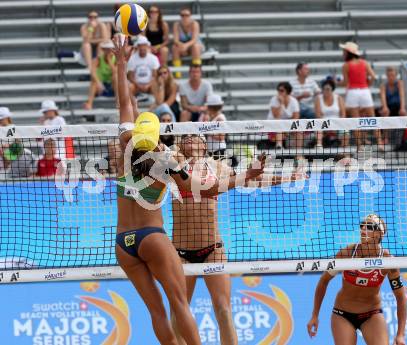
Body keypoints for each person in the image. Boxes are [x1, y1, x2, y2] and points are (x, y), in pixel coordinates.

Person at [112, 36, 266, 345]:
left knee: (157, 313)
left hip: (121, 243)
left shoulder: (124, 146)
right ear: (158, 136)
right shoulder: (167, 161)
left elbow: (124, 102)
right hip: (151, 237)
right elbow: (205, 191)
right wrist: (245, 176)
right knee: (179, 304)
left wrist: (120, 61)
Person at [171, 133, 307, 345]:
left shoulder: (217, 167)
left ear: (204, 145)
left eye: (194, 136)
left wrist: (287, 178)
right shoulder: (173, 165)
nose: (189, 138)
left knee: (224, 309)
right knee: (178, 312)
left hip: (212, 250)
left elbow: (252, 180)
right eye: (185, 136)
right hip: (180, 253)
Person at [307, 214, 407, 345]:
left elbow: (401, 297)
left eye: (369, 227)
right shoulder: (347, 254)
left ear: (379, 234)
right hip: (342, 314)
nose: (363, 229)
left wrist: (400, 334)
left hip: (372, 314)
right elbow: (323, 281)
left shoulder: (388, 261)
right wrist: (314, 315)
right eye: (362, 226)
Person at [338, 42, 384, 151]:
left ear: (348, 52)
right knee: (372, 118)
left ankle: (360, 146)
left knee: (355, 120)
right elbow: (373, 76)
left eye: (344, 51)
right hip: (364, 91)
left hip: (353, 92)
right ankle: (380, 143)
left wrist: (336, 82)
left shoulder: (346, 65)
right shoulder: (364, 63)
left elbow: (345, 83)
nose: (343, 53)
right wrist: (367, 85)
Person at [379, 67, 407, 150]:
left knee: (405, 114)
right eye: (389, 75)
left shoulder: (400, 83)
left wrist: (402, 108)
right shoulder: (383, 86)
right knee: (385, 113)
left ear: (396, 75)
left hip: (399, 107)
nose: (391, 77)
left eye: (392, 75)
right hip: (389, 107)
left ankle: (406, 138)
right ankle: (385, 138)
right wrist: (385, 107)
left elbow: (402, 96)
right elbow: (383, 98)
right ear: (387, 76)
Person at [315, 78, 349, 148]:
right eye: (324, 89)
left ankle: (343, 149)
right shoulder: (318, 98)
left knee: (346, 130)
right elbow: (318, 115)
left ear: (332, 89)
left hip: (337, 123)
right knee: (318, 127)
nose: (326, 91)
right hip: (323, 123)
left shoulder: (338, 98)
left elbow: (343, 115)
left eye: (328, 89)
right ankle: (319, 146)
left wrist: (336, 126)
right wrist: (328, 127)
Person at [83, 40, 117, 110]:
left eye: (110, 49)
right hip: (101, 85)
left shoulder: (115, 59)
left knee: (116, 78)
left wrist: (109, 61)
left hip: (112, 85)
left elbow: (115, 72)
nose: (108, 51)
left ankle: (118, 104)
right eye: (107, 49)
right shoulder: (98, 59)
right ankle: (89, 103)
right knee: (94, 81)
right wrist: (99, 83)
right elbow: (92, 72)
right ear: (103, 50)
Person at [172, 7, 204, 78]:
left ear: (190, 16)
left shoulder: (194, 24)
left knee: (195, 47)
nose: (184, 17)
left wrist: (185, 46)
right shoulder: (177, 24)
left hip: (195, 45)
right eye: (182, 15)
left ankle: (197, 72)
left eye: (187, 15)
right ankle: (178, 74)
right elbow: (176, 40)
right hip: (183, 46)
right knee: (174, 48)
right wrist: (182, 46)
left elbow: (194, 39)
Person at [267, 82, 300, 149]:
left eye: (282, 91)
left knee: (299, 131)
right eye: (278, 90)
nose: (279, 92)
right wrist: (281, 103)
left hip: (287, 126)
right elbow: (277, 116)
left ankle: (298, 154)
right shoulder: (274, 99)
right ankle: (279, 146)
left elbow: (296, 118)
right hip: (273, 126)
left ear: (288, 92)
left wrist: (289, 129)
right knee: (279, 124)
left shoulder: (294, 101)